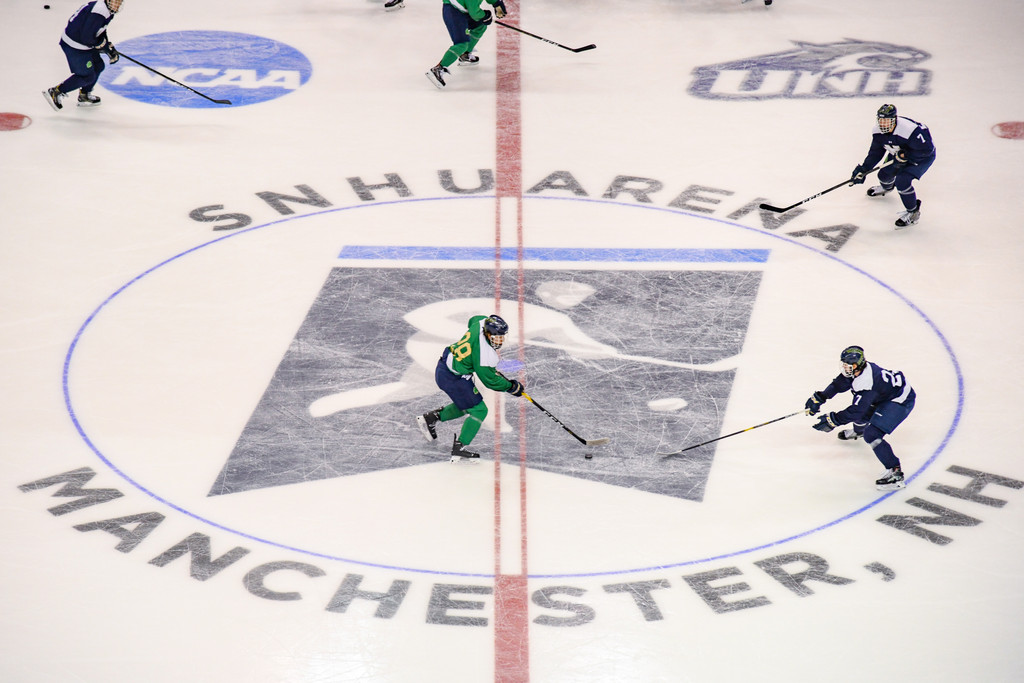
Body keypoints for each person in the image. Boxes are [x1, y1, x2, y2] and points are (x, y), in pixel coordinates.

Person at [805, 345, 916, 491]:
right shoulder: (859, 371)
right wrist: (821, 397)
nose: (845, 368)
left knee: (872, 434)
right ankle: (858, 431)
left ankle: (895, 473)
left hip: (900, 401)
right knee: (861, 413)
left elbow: (856, 411)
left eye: (848, 365)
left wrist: (833, 420)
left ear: (857, 365)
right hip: (885, 396)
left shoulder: (866, 383)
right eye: (844, 364)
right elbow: (840, 383)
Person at [416, 314, 524, 461]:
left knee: (469, 404)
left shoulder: (481, 322)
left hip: (446, 365)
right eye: (498, 337)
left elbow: (472, 320)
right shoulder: (486, 355)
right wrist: (511, 386)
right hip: (452, 378)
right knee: (479, 410)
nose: (501, 340)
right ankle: (459, 447)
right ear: (488, 333)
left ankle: (431, 418)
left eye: (502, 336)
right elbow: (490, 381)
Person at [850, 103, 936, 229]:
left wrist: (906, 157)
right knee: (883, 175)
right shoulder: (877, 131)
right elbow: (875, 153)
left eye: (887, 121)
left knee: (902, 181)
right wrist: (864, 169)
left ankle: (913, 212)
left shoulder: (909, 130)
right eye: (881, 121)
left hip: (921, 158)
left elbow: (926, 150)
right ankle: (887, 188)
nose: (883, 124)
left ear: (894, 119)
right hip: (898, 153)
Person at [42, 0, 123, 111]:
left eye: (120, 2)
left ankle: (84, 96)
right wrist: (102, 44)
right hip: (75, 45)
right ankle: (56, 92)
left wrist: (106, 46)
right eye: (115, 1)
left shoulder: (107, 9)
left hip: (82, 43)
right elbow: (87, 38)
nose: (118, 5)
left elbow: (100, 30)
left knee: (98, 66)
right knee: (87, 76)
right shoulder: (99, 12)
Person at [425, 0, 508, 89]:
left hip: (463, 9)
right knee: (462, 44)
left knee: (480, 26)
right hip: (453, 10)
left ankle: (465, 55)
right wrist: (485, 16)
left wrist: (496, 3)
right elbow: (474, 12)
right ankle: (438, 69)